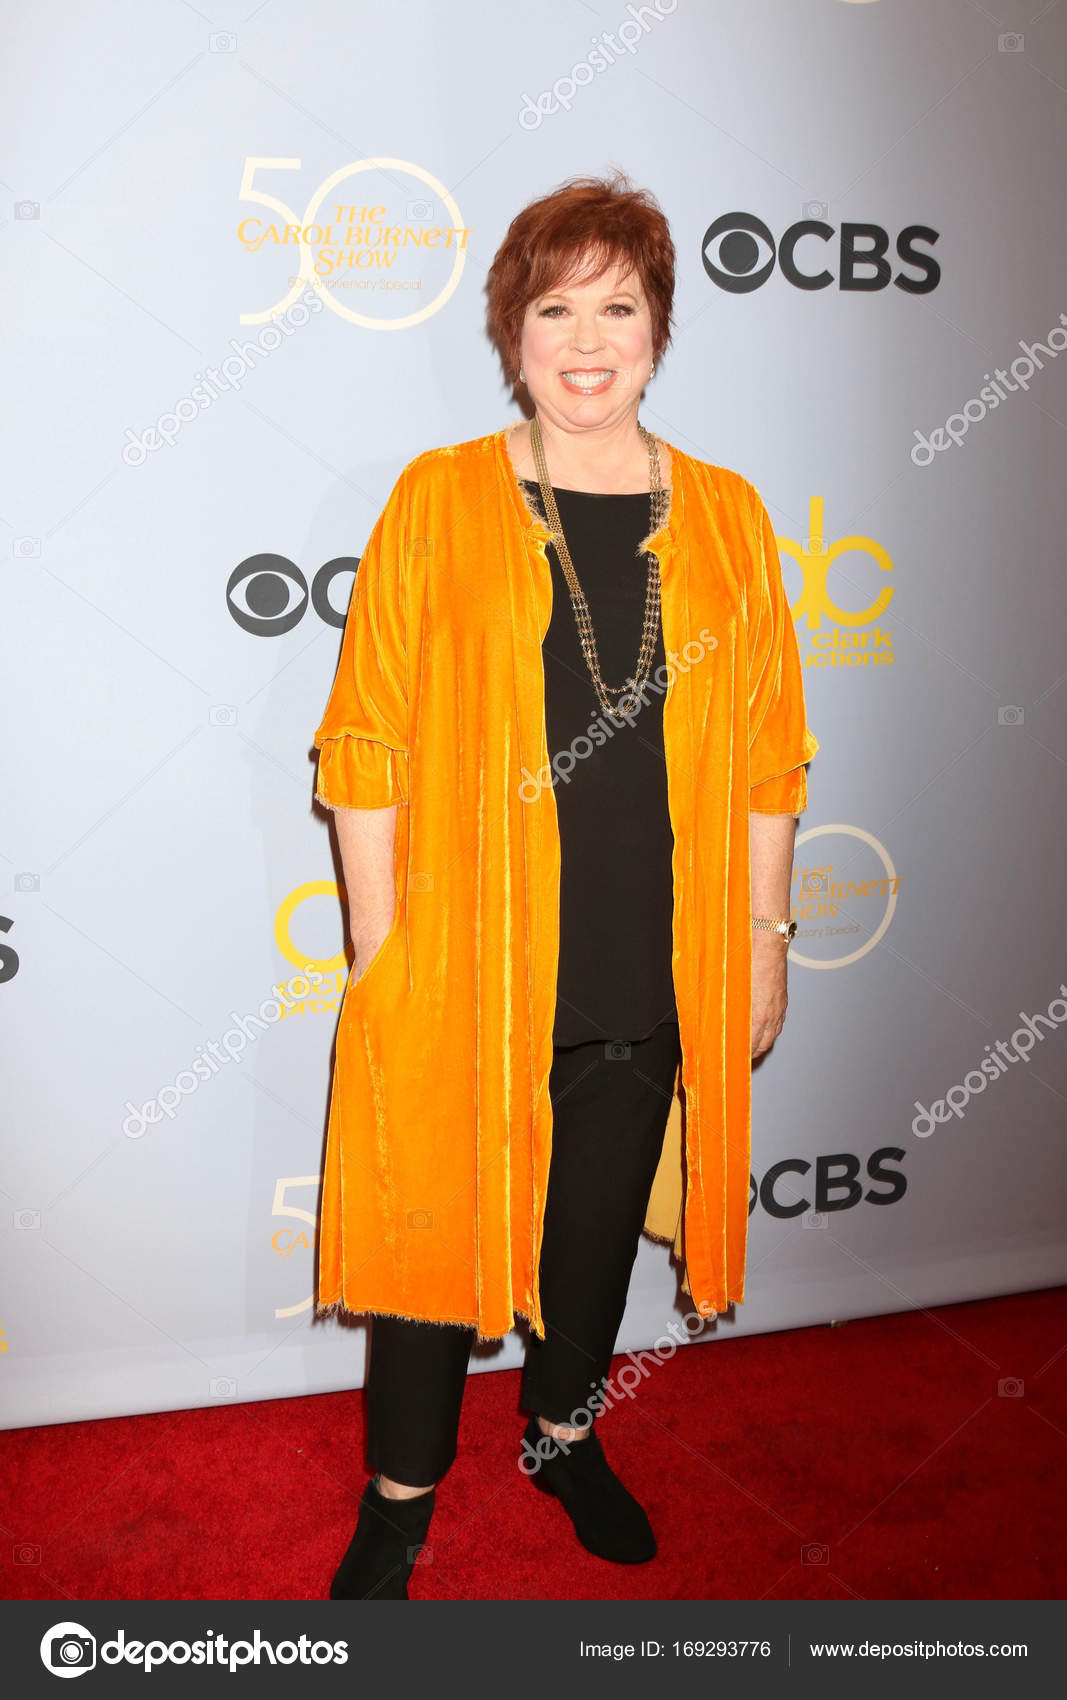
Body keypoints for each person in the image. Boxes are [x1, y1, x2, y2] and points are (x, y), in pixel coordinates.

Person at [312, 172, 819, 1600]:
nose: (587, 339)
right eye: (555, 309)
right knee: (430, 1241)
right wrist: (383, 951)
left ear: (660, 327)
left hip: (654, 965)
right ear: (511, 331)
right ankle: (402, 1502)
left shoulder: (725, 516)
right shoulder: (440, 496)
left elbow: (775, 755)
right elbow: (365, 742)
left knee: (594, 1225)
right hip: (469, 957)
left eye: (620, 305)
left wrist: (764, 946)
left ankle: (560, 1435)